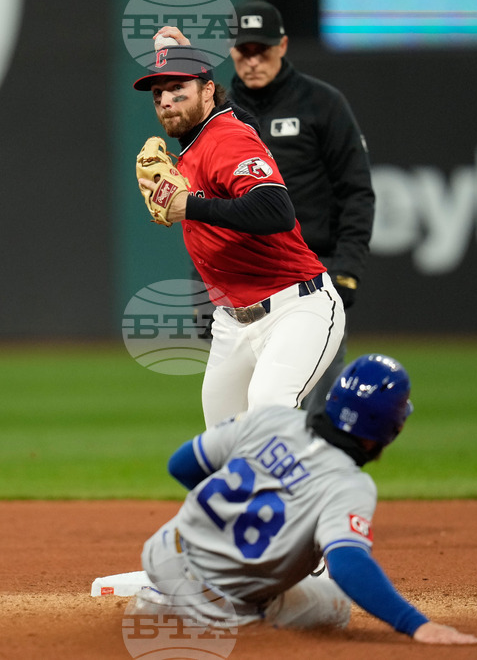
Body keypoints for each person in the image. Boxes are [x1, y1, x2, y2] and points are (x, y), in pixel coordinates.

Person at [131, 354, 477, 645]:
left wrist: (226, 520)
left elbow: (182, 466)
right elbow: (347, 564)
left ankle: (163, 596)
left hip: (162, 551)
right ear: (388, 431)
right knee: (335, 604)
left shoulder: (270, 418)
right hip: (217, 606)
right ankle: (185, 616)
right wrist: (417, 624)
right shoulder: (350, 485)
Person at [155, 1, 375, 419]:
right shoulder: (217, 118)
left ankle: (328, 485)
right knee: (228, 440)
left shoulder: (320, 103)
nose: (253, 59)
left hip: (302, 283)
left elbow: (354, 193)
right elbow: (203, 223)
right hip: (236, 298)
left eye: (263, 49)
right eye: (243, 50)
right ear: (231, 52)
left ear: (283, 46)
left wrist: (347, 269)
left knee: (303, 419)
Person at [133, 45, 345, 428]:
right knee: (223, 446)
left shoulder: (226, 138)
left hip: (294, 309)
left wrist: (190, 206)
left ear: (208, 91)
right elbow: (243, 119)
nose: (165, 100)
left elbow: (276, 210)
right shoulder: (205, 140)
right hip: (232, 323)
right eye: (157, 93)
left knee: (267, 411)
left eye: (177, 87)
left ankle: (320, 486)